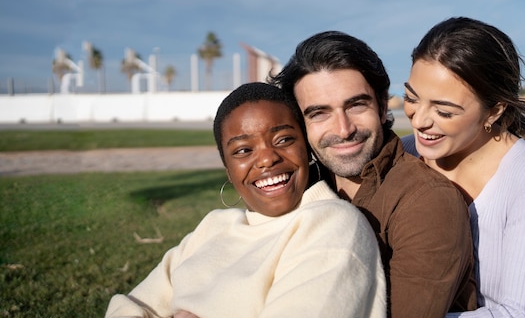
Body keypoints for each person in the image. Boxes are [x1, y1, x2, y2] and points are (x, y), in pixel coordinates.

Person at [105, 82, 387, 318]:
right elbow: (128, 307)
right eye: (242, 150)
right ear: (228, 170)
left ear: (307, 148)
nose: (266, 158)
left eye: (283, 140)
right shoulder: (212, 227)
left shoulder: (333, 224)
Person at [401, 16, 525, 317]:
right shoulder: (403, 153)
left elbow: (523, 314)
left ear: (494, 110)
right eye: (411, 98)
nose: (419, 121)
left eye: (443, 111)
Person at [270, 32, 477, 318]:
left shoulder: (428, 201)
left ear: (381, 107)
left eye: (356, 105)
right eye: (319, 113)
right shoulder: (298, 187)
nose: (343, 129)